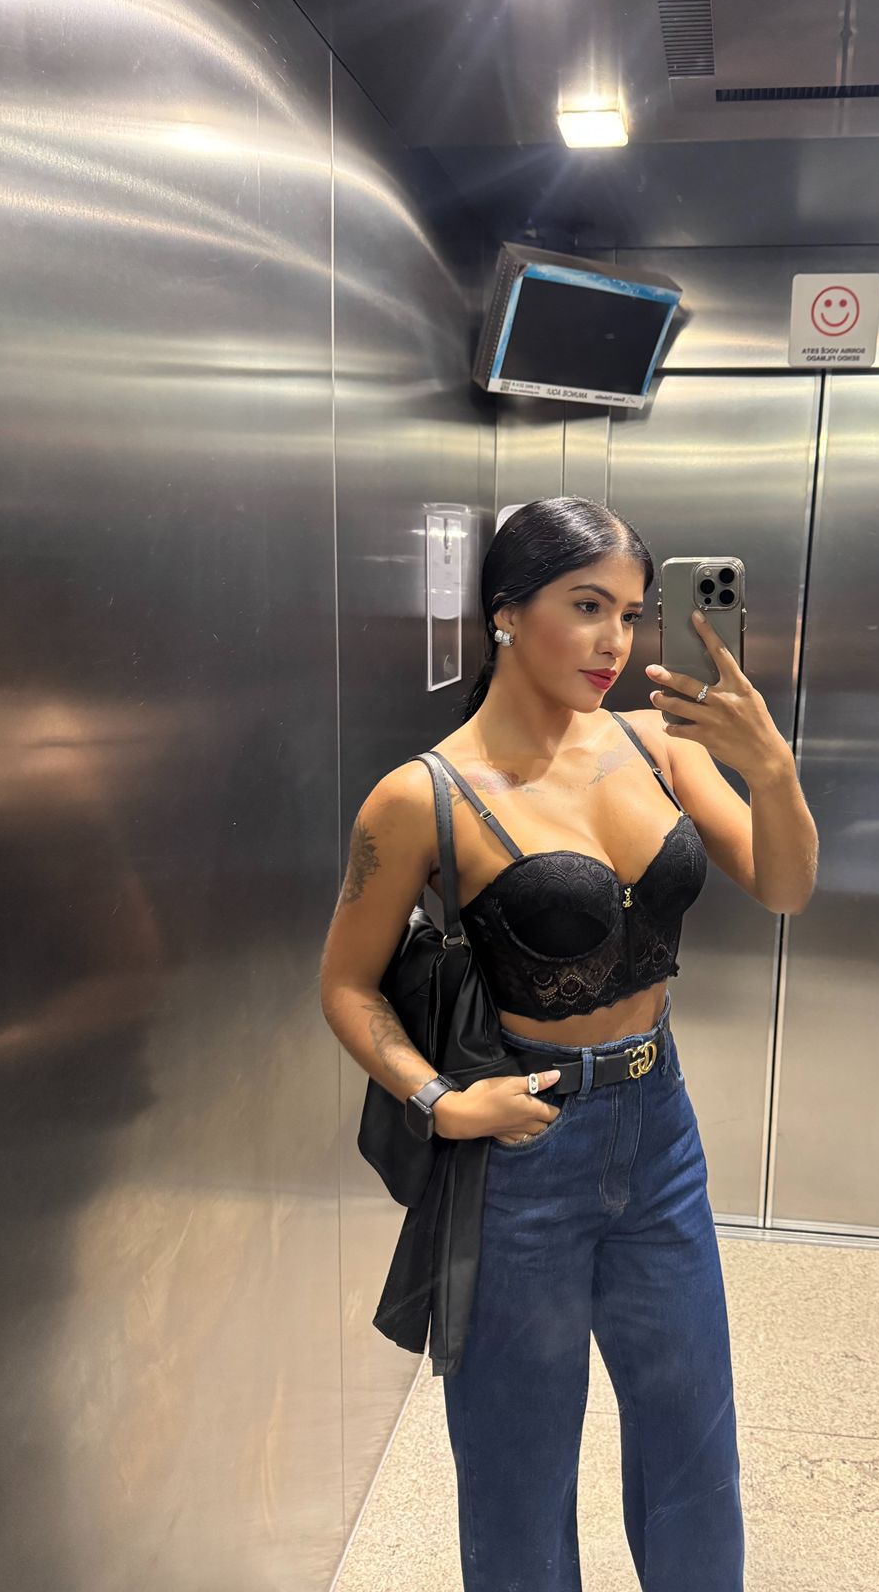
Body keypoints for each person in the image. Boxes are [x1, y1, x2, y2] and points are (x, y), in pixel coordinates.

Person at [320, 496, 817, 1591]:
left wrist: (772, 770)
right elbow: (346, 985)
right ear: (505, 611)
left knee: (693, 1438)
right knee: (518, 1464)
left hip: (660, 1131)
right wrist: (442, 1101)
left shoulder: (658, 744)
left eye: (631, 614)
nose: (615, 642)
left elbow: (784, 885)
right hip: (522, 1151)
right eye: (587, 607)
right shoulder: (422, 797)